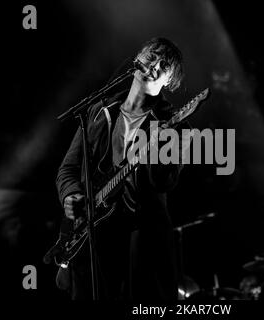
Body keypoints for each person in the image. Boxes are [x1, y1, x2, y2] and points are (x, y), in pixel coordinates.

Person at [55, 37, 191, 301]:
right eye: (152, 55)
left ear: (168, 83)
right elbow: (68, 169)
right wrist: (70, 195)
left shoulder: (175, 128)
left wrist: (160, 143)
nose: (155, 65)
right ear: (138, 57)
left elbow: (163, 182)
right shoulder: (97, 111)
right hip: (93, 235)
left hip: (140, 239)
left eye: (164, 66)